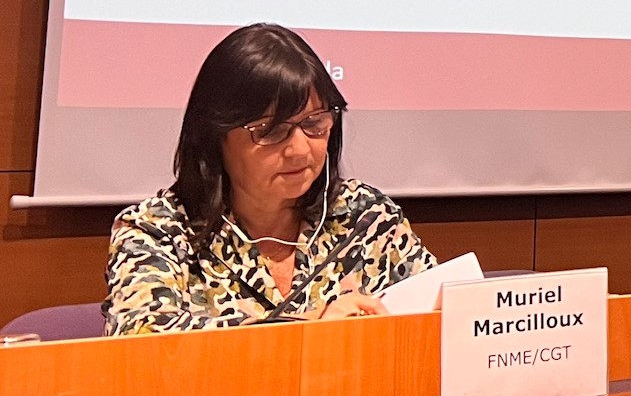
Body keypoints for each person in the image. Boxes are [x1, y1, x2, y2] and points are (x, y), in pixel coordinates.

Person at [104, 24, 436, 335]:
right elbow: (140, 337)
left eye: (314, 124)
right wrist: (313, 326)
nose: (299, 150)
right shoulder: (158, 231)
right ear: (214, 137)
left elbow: (437, 306)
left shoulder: (364, 216)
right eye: (271, 131)